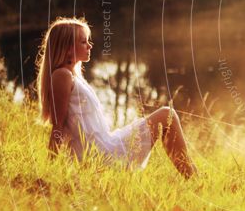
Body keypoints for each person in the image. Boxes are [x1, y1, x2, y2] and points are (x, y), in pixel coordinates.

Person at [35, 16, 196, 178]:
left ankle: (192, 177)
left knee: (167, 117)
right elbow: (58, 125)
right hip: (101, 156)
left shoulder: (73, 76)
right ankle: (193, 178)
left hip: (106, 146)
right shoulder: (62, 75)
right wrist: (50, 171)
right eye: (83, 42)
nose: (90, 45)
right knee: (167, 114)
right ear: (68, 48)